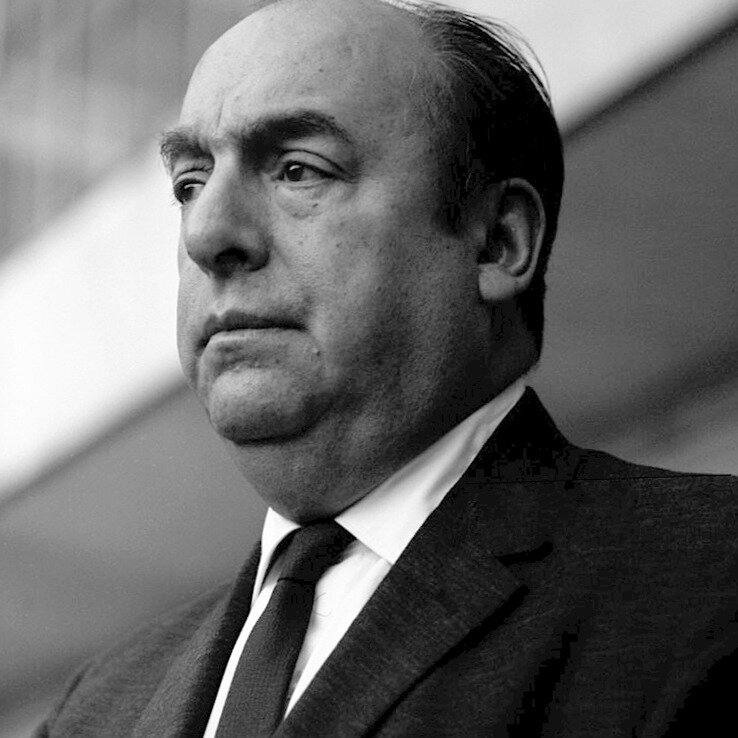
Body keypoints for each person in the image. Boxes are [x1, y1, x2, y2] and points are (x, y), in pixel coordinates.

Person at [37, 0, 737, 735]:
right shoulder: (97, 705)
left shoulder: (705, 581)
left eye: (298, 170)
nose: (207, 233)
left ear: (497, 242)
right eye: (190, 184)